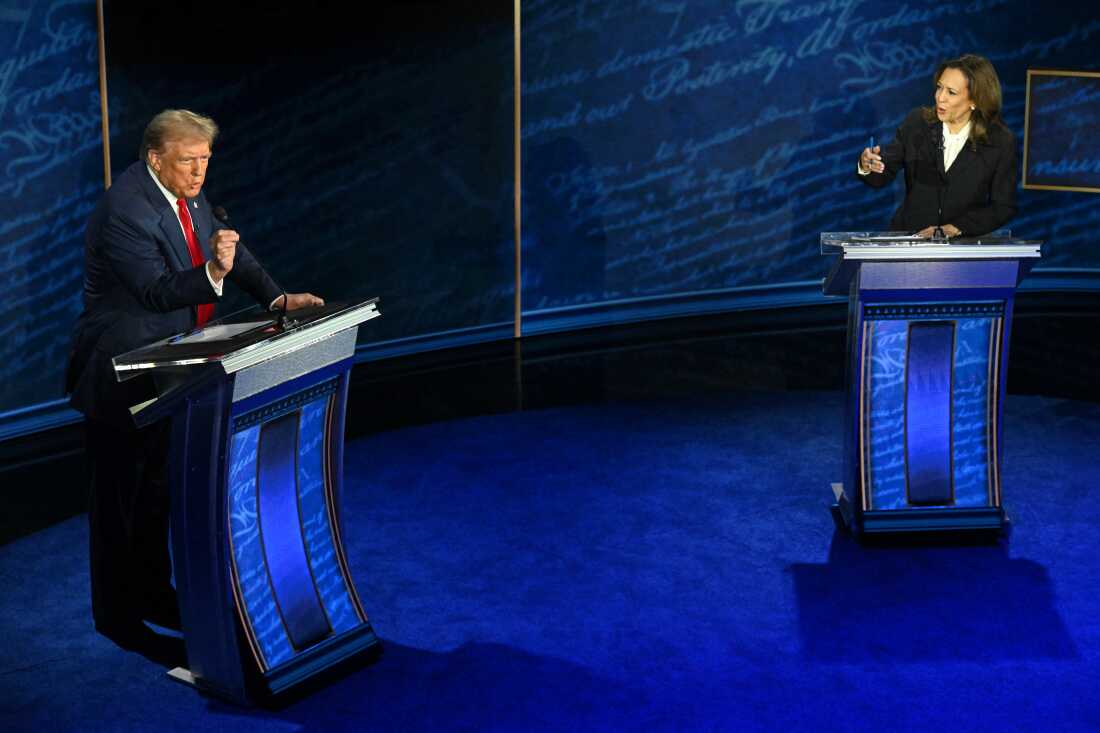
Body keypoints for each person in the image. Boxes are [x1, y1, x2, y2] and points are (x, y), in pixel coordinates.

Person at [65, 109, 323, 649]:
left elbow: (227, 245)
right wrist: (213, 274)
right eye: (189, 161)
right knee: (119, 503)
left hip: (174, 369)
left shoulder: (185, 190)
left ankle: (156, 593)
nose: (200, 172)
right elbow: (157, 291)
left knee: (157, 495)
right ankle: (117, 618)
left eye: (205, 160)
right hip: (123, 375)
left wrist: (274, 297)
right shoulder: (124, 211)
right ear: (155, 158)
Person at [856, 54, 1017, 238]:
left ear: (975, 100)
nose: (940, 97)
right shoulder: (917, 123)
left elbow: (1003, 206)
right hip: (910, 241)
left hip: (962, 249)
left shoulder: (999, 141)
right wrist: (867, 165)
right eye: (939, 88)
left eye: (951, 92)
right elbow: (881, 175)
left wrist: (955, 228)